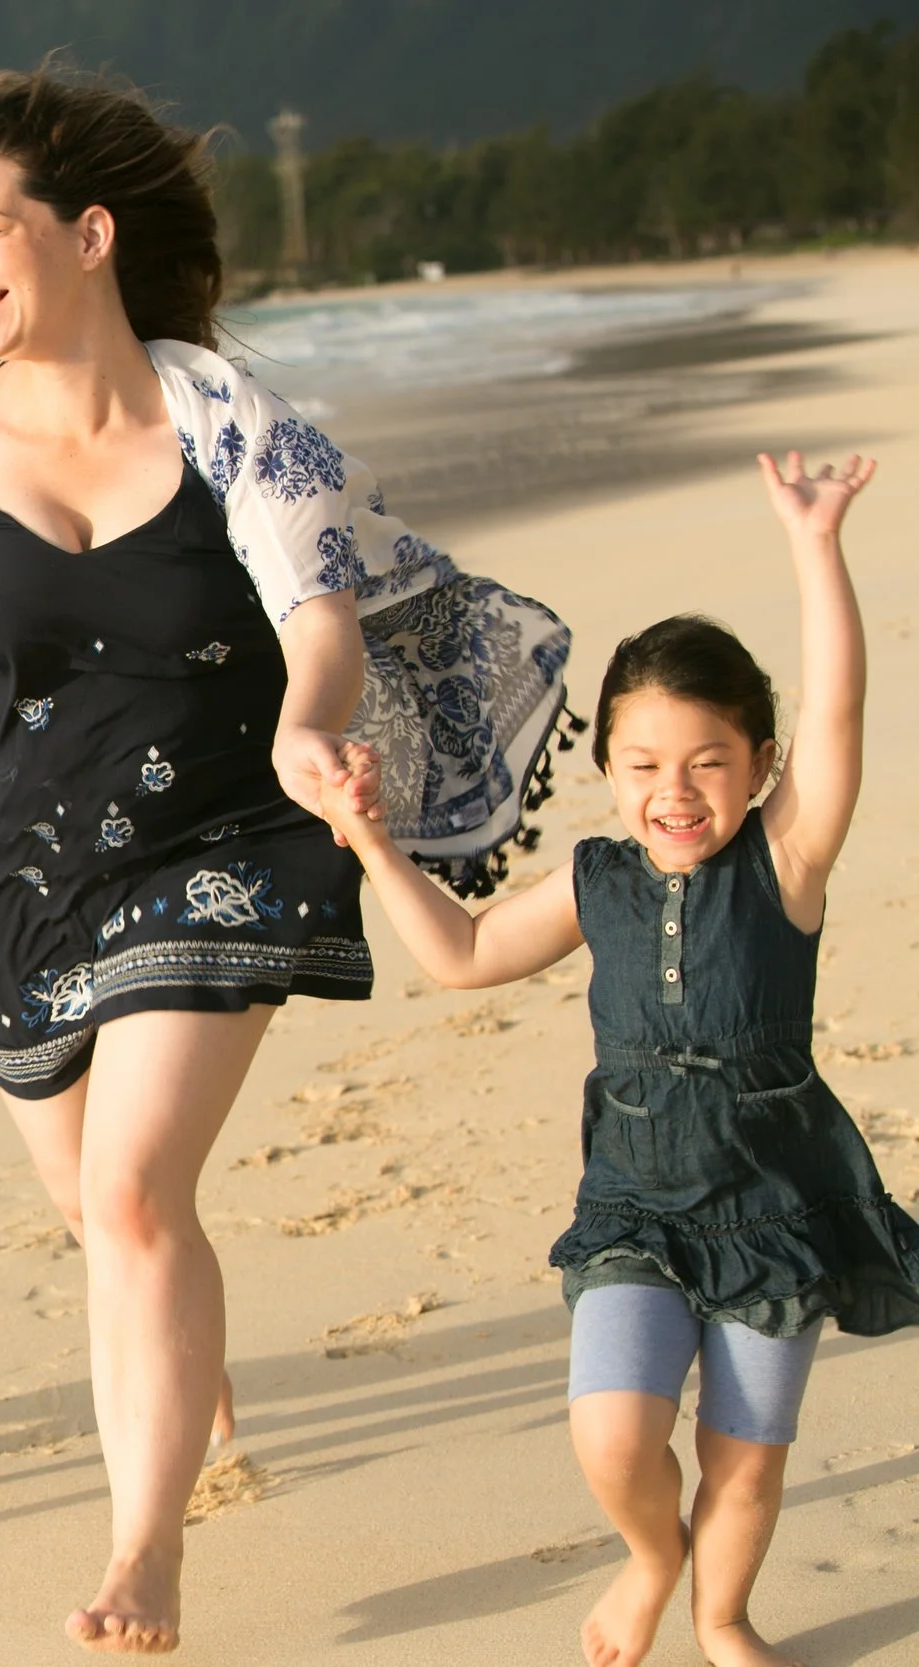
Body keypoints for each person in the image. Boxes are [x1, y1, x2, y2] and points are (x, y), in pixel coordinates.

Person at [0, 68, 571, 1654]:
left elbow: (321, 614)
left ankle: (143, 1551)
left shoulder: (226, 417)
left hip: (229, 834)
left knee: (136, 1195)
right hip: (17, 883)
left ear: (87, 237)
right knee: (106, 1216)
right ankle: (186, 1373)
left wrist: (307, 725)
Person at [317, 451, 904, 1667]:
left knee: (746, 1452)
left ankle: (723, 1614)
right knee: (611, 1435)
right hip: (633, 1201)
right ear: (608, 777)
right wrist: (373, 845)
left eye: (706, 763)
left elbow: (838, 708)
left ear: (756, 766)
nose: (673, 792)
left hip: (772, 1204)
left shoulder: (782, 867)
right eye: (642, 767)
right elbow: (467, 951)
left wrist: (815, 541)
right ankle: (651, 1557)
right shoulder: (597, 881)